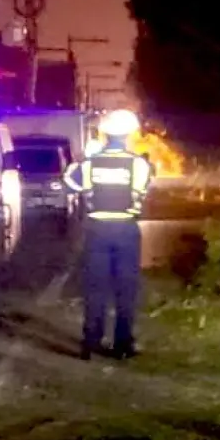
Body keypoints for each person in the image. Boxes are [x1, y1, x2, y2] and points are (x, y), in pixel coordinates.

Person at [62, 109, 153, 360]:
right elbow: (144, 189)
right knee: (126, 288)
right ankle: (123, 344)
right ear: (128, 135)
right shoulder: (139, 164)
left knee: (95, 287)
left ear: (105, 133)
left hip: (96, 230)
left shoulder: (89, 165)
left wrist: (81, 159)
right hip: (125, 230)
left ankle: (90, 342)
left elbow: (69, 184)